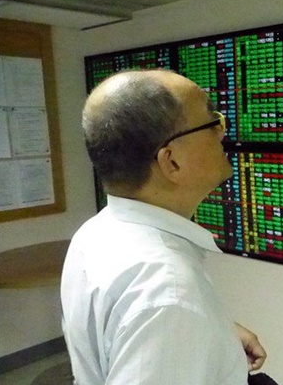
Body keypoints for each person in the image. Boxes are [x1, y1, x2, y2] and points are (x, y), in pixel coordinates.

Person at [61, 69, 266, 385]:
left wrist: (210, 333)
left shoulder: (95, 232)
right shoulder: (167, 292)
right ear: (172, 161)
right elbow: (160, 308)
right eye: (212, 123)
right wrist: (179, 322)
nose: (222, 132)